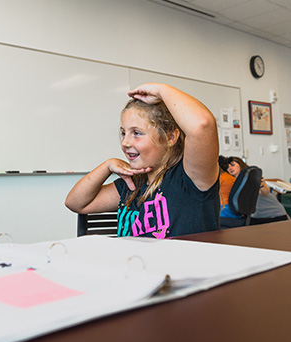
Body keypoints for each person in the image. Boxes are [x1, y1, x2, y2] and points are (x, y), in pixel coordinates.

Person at [65, 83, 220, 238]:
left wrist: (161, 91)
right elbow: (75, 203)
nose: (125, 142)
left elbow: (202, 126)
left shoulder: (189, 179)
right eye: (123, 133)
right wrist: (107, 166)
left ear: (170, 137)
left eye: (137, 133)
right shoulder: (132, 183)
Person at [226, 157, 289, 224]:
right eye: (227, 167)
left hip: (274, 216)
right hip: (256, 217)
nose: (230, 168)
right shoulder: (233, 183)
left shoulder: (251, 177)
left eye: (232, 165)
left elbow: (265, 192)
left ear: (240, 164)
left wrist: (261, 184)